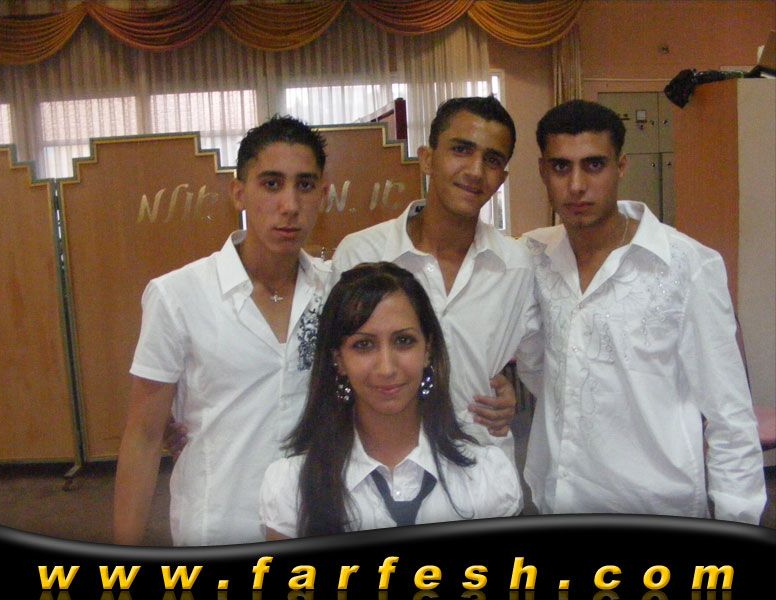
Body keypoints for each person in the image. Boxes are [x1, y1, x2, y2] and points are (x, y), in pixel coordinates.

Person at [516, 99, 766, 522]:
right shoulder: (533, 256)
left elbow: (729, 413)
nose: (576, 185)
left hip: (655, 504)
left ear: (621, 167)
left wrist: (737, 517)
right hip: (559, 495)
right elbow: (537, 363)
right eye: (561, 167)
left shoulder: (685, 265)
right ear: (543, 171)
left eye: (594, 165)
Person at [112, 115, 330, 545]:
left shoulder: (336, 290)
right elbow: (143, 436)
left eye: (304, 185)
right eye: (271, 184)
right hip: (217, 525)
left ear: (322, 195)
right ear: (239, 193)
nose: (289, 204)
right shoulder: (178, 295)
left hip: (314, 518)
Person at [331, 96, 538, 462]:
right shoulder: (361, 255)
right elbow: (334, 365)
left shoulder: (516, 266)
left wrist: (508, 395)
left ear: (502, 178)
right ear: (427, 158)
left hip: (480, 465)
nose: (475, 171)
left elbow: (542, 364)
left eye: (492, 160)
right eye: (461, 150)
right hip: (380, 466)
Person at [260, 262, 523, 538]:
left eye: (403, 341)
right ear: (338, 359)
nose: (386, 368)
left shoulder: (486, 475)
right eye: (364, 345)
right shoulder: (292, 487)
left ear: (428, 349)